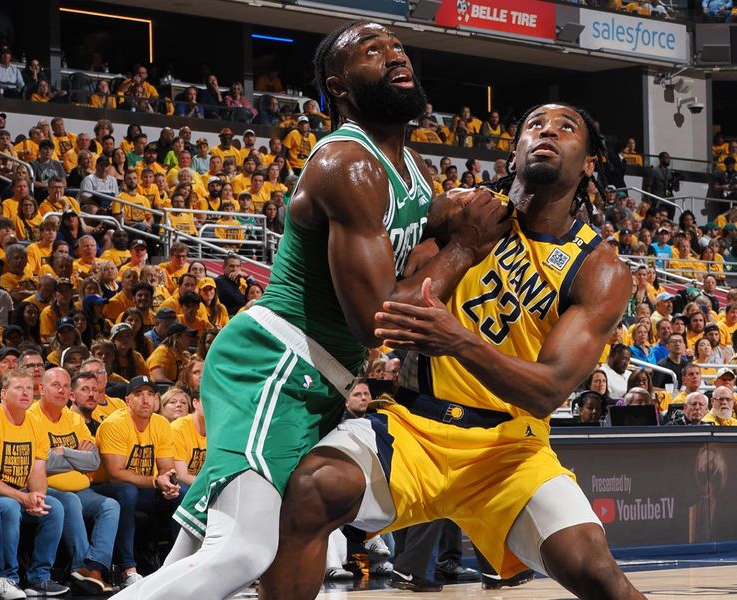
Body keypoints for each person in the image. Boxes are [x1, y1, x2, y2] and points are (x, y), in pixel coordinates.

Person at [117, 20, 509, 600]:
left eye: (397, 47)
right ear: (341, 87)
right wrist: (465, 245)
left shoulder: (410, 168)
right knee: (247, 550)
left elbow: (423, 260)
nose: (395, 55)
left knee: (202, 556)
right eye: (372, 53)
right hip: (273, 363)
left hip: (317, 375)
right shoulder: (348, 164)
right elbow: (380, 318)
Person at [262, 101, 643, 600]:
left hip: (510, 449)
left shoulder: (600, 269)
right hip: (413, 425)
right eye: (534, 125)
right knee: (313, 491)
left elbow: (548, 390)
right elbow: (390, 299)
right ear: (514, 154)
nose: (548, 131)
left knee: (597, 572)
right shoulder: (460, 211)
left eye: (566, 127)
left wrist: (455, 339)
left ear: (589, 163)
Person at [27, 368, 120, 595]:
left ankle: (94, 568)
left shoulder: (74, 419)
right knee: (69, 501)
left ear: (70, 392)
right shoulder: (31, 417)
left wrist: (63, 451)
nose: (61, 390)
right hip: (48, 487)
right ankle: (80, 567)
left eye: (66, 386)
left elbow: (94, 461)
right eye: (55, 385)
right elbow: (41, 463)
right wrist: (77, 455)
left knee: (110, 505)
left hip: (82, 489)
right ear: (41, 389)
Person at [0, 369, 69, 597]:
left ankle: (39, 578)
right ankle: (9, 578)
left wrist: (37, 496)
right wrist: (22, 497)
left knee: (54, 507)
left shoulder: (35, 422)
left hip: (21, 492)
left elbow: (38, 469)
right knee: (10, 508)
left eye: (29, 388)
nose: (25, 393)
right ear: (3, 393)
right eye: (18, 388)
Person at [93, 376, 180, 588]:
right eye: (139, 395)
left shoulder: (161, 424)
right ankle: (127, 568)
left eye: (150, 394)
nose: (145, 400)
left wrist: (169, 483)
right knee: (127, 491)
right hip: (105, 488)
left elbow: (167, 468)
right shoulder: (115, 424)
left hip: (145, 487)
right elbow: (115, 474)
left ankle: (179, 564)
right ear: (126, 400)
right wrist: (155, 481)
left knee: (183, 493)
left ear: (157, 400)